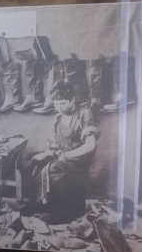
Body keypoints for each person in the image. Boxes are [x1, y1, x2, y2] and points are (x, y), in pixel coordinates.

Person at [24, 81, 98, 222]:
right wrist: (47, 153)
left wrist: (66, 155)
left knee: (53, 168)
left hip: (78, 161)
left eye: (63, 103)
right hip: (62, 159)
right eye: (56, 104)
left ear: (72, 99)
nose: (59, 107)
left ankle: (65, 212)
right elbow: (54, 144)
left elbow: (90, 146)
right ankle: (42, 204)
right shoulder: (58, 118)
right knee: (34, 163)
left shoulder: (84, 114)